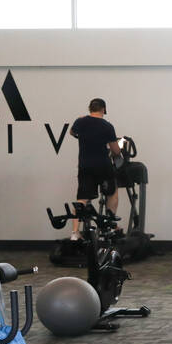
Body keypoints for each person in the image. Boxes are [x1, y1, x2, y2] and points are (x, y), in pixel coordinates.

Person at [68, 98, 123, 239]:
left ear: (90, 108)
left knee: (82, 198)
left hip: (85, 165)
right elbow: (115, 151)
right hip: (103, 165)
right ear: (103, 109)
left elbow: (72, 132)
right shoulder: (107, 126)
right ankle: (109, 226)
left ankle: (75, 232)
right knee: (112, 192)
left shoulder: (80, 121)